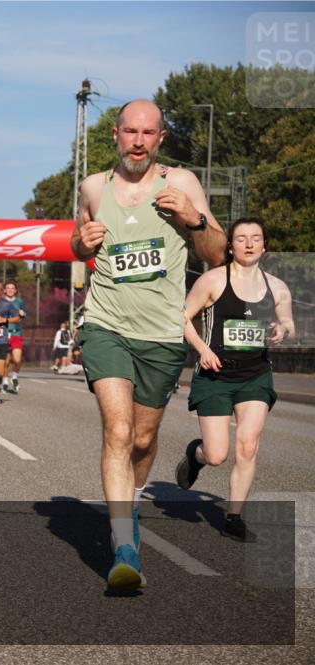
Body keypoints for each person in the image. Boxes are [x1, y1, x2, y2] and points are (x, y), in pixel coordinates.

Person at [72, 99, 225, 592]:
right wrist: (83, 243)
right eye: (130, 131)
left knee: (141, 439)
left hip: (160, 334)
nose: (138, 140)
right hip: (105, 324)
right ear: (115, 135)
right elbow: (76, 243)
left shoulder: (180, 185)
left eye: (148, 133)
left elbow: (218, 253)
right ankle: (124, 547)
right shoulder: (94, 187)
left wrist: (194, 220)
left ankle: (132, 497)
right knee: (117, 431)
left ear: (160, 139)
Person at [176, 218, 294, 541]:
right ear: (230, 246)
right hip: (215, 375)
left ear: (265, 245)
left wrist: (281, 330)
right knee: (216, 455)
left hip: (255, 374)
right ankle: (194, 455)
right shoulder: (213, 280)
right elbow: (182, 317)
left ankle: (233, 517)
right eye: (241, 238)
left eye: (256, 238)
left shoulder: (277, 287)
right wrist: (201, 349)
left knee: (248, 445)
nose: (249, 243)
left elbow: (288, 322)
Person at [2, 280, 27, 393]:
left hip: (16, 333)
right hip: (4, 333)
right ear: (4, 290)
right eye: (8, 288)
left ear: (15, 290)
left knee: (17, 360)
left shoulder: (19, 301)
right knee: (6, 361)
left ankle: (15, 376)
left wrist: (23, 313)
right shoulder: (0, 301)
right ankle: (5, 380)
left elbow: (24, 313)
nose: (10, 290)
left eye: (12, 288)